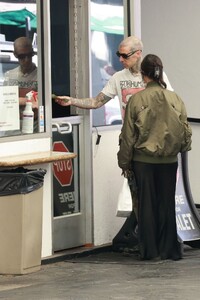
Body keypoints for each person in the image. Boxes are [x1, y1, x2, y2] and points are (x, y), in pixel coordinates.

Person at [54, 35, 172, 220]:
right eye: (119, 55)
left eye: (124, 55)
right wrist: (72, 101)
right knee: (136, 192)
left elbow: (170, 104)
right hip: (132, 143)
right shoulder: (118, 77)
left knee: (157, 193)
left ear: (138, 54)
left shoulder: (155, 76)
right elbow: (96, 101)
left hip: (154, 143)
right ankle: (144, 236)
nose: (120, 59)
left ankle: (156, 237)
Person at [117, 54, 192, 261]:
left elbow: (128, 136)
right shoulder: (175, 98)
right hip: (169, 161)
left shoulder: (137, 100)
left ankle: (150, 251)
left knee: (146, 206)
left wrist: (124, 162)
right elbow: (185, 133)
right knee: (167, 205)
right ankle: (169, 249)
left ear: (143, 75)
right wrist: (180, 149)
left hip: (143, 162)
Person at [4, 36, 38, 133]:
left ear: (33, 53)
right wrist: (26, 101)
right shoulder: (10, 76)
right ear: (15, 55)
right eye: (22, 56)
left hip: (35, 129)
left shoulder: (42, 76)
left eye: (29, 55)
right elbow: (5, 101)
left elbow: (43, 102)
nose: (26, 60)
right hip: (12, 129)